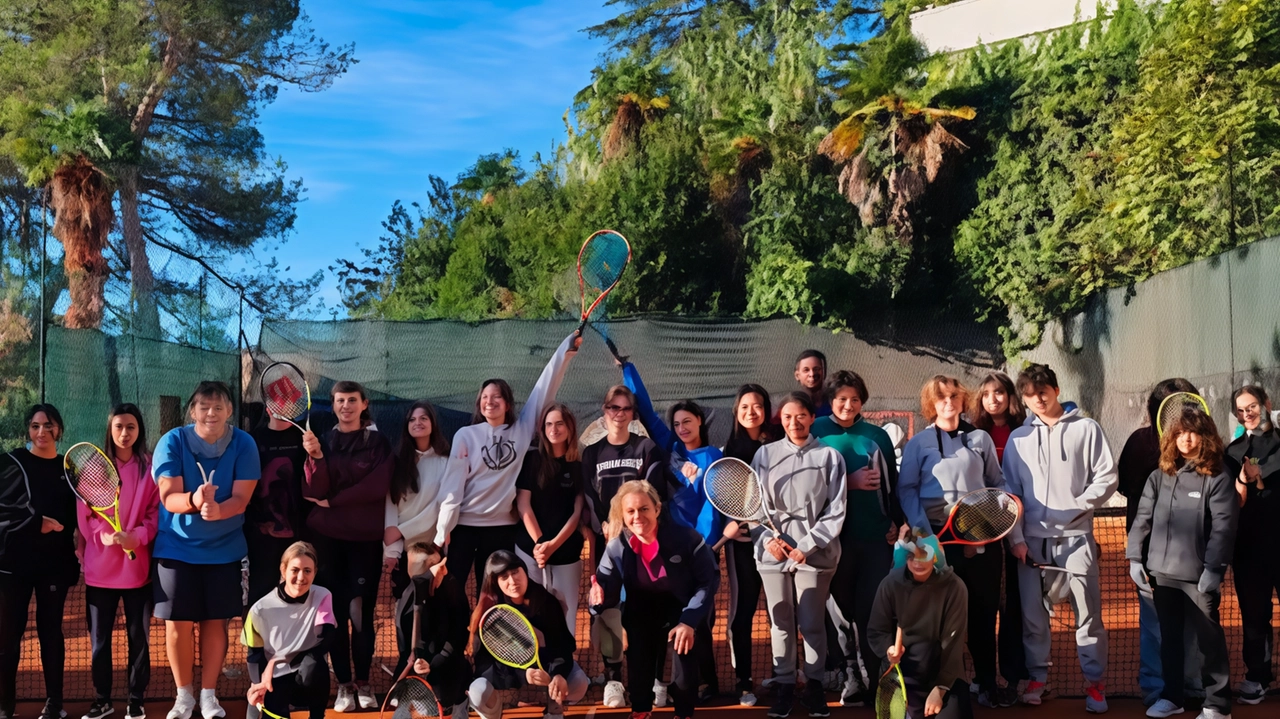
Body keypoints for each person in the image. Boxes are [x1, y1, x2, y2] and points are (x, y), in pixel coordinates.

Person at [1003, 364, 1116, 712]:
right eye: (1030, 394)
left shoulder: (1087, 429)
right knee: (1033, 617)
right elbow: (1010, 493)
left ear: (1055, 388)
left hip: (1077, 539)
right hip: (1031, 542)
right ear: (1023, 398)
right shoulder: (1018, 438)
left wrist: (1077, 507)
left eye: (1043, 391)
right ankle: (1038, 677)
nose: (1038, 398)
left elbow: (1107, 477)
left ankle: (1094, 685)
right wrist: (1016, 539)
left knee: (1088, 614)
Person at [435, 331, 581, 590]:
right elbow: (452, 486)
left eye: (496, 397)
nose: (489, 402)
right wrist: (443, 529)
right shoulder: (465, 436)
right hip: (464, 528)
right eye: (485, 397)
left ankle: (486, 633)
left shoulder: (523, 430)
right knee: (451, 590)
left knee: (492, 592)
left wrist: (566, 351)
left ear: (508, 404)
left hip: (502, 530)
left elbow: (544, 386)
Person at [151, 382, 260, 719]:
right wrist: (195, 502)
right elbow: (168, 496)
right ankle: (184, 698)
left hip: (225, 551)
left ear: (230, 411)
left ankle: (209, 696)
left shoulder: (244, 444)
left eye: (218, 406)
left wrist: (219, 510)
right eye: (203, 406)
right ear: (192, 411)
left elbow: (241, 499)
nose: (211, 413)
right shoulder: (172, 441)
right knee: (178, 624)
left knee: (217, 622)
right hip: (176, 549)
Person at [897, 376, 1003, 709]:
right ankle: (945, 687)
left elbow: (995, 486)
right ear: (931, 403)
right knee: (939, 619)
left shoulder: (980, 438)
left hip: (979, 540)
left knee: (984, 614)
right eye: (940, 397)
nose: (948, 402)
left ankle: (987, 683)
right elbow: (907, 490)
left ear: (962, 399)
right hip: (935, 541)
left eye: (954, 396)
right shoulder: (918, 444)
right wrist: (926, 536)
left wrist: (984, 528)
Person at [622, 360, 723, 701]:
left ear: (699, 423)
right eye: (677, 423)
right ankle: (663, 684)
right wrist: (628, 369)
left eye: (687, 422)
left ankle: (707, 684)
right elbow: (647, 413)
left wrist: (704, 544)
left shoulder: (712, 457)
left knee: (699, 619)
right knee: (664, 616)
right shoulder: (670, 449)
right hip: (666, 549)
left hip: (698, 550)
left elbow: (711, 506)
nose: (681, 427)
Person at [1127, 409, 1237, 719]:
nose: (1185, 439)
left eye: (1193, 433)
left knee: (1208, 641)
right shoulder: (1159, 475)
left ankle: (1218, 705)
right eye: (1179, 433)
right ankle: (1171, 697)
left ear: (1206, 437)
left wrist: (1214, 568)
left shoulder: (1217, 476)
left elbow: (1224, 526)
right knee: (1169, 639)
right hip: (1162, 575)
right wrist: (1136, 557)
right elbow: (1142, 519)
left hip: (1199, 575)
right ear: (1171, 438)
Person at [589, 480, 720, 719]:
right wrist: (597, 598)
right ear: (623, 515)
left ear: (657, 509)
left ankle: (683, 713)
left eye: (644, 509)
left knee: (684, 655)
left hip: (682, 605)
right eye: (630, 511)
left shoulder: (687, 538)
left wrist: (689, 621)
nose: (637, 516)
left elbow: (708, 580)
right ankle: (640, 710)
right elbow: (604, 586)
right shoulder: (617, 547)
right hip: (642, 606)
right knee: (638, 656)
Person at [751, 391, 847, 719]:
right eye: (788, 417)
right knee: (780, 623)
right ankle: (784, 685)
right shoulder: (764, 455)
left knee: (811, 623)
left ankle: (815, 685)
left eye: (801, 415)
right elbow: (753, 507)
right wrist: (766, 540)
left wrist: (806, 546)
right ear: (781, 420)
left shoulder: (830, 457)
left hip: (816, 557)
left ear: (811, 417)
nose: (795, 422)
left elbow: (835, 511)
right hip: (773, 556)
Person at [301, 380, 395, 712]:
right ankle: (343, 685)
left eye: (352, 400)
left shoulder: (379, 443)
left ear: (364, 404)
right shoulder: (324, 441)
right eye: (340, 401)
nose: (346, 406)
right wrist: (314, 458)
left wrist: (335, 501)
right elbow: (313, 490)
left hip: (365, 542)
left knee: (360, 613)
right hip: (327, 540)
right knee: (335, 614)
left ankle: (364, 682)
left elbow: (377, 486)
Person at [811, 370, 900, 708]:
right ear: (830, 401)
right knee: (840, 612)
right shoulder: (816, 432)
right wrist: (849, 481)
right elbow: (811, 488)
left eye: (854, 398)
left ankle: (876, 678)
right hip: (833, 542)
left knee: (871, 611)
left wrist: (895, 521)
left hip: (875, 539)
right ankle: (851, 673)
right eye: (841, 399)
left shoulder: (877, 436)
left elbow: (892, 484)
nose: (848, 405)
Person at [1117, 379, 1202, 706]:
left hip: (1188, 549)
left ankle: (1183, 686)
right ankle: (1165, 688)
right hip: (1153, 551)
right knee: (1162, 621)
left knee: (1183, 619)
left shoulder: (1196, 446)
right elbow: (1128, 487)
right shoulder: (1142, 444)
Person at [579, 382, 665, 707]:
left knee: (648, 610)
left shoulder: (647, 449)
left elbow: (653, 494)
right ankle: (613, 679)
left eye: (625, 408)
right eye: (613, 407)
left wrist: (630, 526)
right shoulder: (592, 453)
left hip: (643, 544)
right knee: (609, 611)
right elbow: (589, 495)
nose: (619, 413)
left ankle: (654, 679)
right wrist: (605, 523)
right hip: (608, 544)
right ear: (605, 412)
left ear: (633, 414)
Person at [78, 404, 160, 719]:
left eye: (131, 427)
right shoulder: (95, 469)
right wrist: (105, 536)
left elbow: (155, 513)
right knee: (99, 642)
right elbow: (85, 515)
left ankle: (135, 700)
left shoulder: (150, 468)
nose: (124, 433)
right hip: (100, 573)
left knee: (138, 638)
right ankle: (102, 700)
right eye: (118, 427)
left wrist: (137, 536)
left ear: (139, 431)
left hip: (138, 572)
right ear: (110, 430)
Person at [0, 405, 78, 719]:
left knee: (50, 633)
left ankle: (55, 704)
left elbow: (81, 515)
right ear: (28, 430)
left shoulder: (70, 470)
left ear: (59, 429)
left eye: (48, 426)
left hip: (53, 566)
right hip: (12, 566)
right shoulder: (10, 462)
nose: (41, 432)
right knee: (7, 636)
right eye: (34, 426)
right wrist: (36, 523)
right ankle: (5, 706)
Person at [467, 551, 589, 719]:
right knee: (478, 692)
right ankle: (493, 713)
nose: (512, 581)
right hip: (508, 677)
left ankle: (554, 709)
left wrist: (557, 674)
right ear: (496, 583)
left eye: (515, 572)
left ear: (524, 570)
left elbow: (562, 645)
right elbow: (487, 663)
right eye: (504, 577)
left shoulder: (547, 602)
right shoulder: (492, 614)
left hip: (545, 670)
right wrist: (523, 674)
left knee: (578, 683)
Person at [969, 372, 1028, 707]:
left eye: (1000, 392)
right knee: (983, 606)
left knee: (1015, 608)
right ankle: (983, 676)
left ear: (1010, 396)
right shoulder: (975, 435)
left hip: (1018, 530)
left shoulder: (1023, 431)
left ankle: (1014, 675)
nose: (994, 399)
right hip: (983, 532)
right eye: (987, 393)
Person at [868, 527, 971, 719]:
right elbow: (876, 630)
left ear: (934, 558)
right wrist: (888, 649)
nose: (917, 562)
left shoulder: (955, 587)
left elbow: (953, 644)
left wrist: (940, 688)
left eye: (924, 556)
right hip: (900, 676)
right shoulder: (889, 584)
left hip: (944, 673)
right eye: (912, 556)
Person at [721, 384, 781, 707]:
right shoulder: (729, 450)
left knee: (781, 611)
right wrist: (737, 524)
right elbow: (726, 497)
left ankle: (784, 675)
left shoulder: (778, 443)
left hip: (779, 542)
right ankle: (744, 681)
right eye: (745, 406)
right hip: (744, 545)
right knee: (743, 612)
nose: (751, 412)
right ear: (736, 411)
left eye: (757, 406)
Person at [1223, 385, 1280, 706]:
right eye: (1242, 409)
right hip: (1249, 552)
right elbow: (1233, 501)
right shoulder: (1232, 453)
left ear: (1266, 404)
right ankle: (1257, 676)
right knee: (1255, 617)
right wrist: (1245, 479)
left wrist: (1263, 472)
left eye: (1253, 405)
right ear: (1236, 415)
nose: (1249, 412)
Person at [515, 403, 585, 635]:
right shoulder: (532, 459)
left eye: (559, 424)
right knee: (532, 610)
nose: (554, 429)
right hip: (529, 551)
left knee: (565, 610)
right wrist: (540, 544)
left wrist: (552, 546)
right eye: (548, 424)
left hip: (566, 553)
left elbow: (577, 513)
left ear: (570, 427)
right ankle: (534, 669)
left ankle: (564, 666)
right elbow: (523, 503)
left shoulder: (578, 465)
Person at [244, 542, 335, 719]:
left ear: (315, 572)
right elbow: (253, 654)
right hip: (274, 680)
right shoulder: (259, 609)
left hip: (305, 675)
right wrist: (259, 684)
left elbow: (327, 638)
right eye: (295, 570)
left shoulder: (323, 596)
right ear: (283, 569)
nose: (301, 577)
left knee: (315, 664)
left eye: (307, 571)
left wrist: (277, 660)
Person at [385, 401, 451, 615]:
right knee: (404, 610)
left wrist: (403, 530)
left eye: (423, 418)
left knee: (434, 608)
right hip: (402, 550)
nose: (418, 423)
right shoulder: (396, 462)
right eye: (412, 419)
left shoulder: (446, 462)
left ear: (433, 423)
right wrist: (392, 548)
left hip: (434, 549)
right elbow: (391, 502)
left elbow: (441, 506)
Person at [246, 401, 309, 607]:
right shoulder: (252, 440)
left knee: (296, 593)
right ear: (267, 409)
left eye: (287, 404)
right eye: (276, 403)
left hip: (299, 535)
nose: (281, 408)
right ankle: (255, 640)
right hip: (259, 537)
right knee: (259, 596)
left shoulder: (306, 439)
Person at [401, 541, 470, 718]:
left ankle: (459, 702)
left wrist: (436, 662)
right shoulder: (408, 602)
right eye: (436, 567)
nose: (443, 570)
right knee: (426, 710)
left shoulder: (451, 586)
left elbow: (459, 631)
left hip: (448, 661)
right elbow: (408, 648)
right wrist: (420, 663)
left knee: (459, 687)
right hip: (422, 667)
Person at [782, 350, 831, 419]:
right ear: (797, 375)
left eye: (816, 369)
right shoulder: (790, 404)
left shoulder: (835, 400)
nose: (812, 374)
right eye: (806, 370)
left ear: (824, 372)